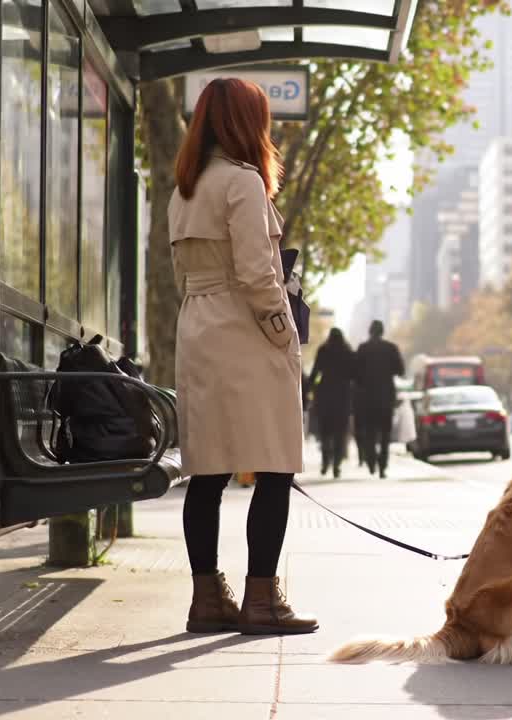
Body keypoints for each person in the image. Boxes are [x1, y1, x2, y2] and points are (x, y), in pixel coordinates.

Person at [168, 78, 316, 636]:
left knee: (208, 472)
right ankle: (263, 600)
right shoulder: (244, 183)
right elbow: (258, 274)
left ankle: (207, 599)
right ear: (245, 123)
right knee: (274, 465)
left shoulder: (183, 189)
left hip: (198, 328)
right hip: (246, 331)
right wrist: (285, 334)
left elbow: (183, 275)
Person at [353, 320, 405, 478]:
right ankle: (382, 466)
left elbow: (355, 374)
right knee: (385, 434)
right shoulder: (391, 348)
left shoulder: (362, 349)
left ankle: (371, 461)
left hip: (367, 398)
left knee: (369, 431)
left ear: (370, 331)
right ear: (382, 331)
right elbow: (400, 370)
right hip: (386, 397)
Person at [308, 328, 354, 478]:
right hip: (343, 396)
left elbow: (315, 372)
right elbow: (355, 374)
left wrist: (309, 388)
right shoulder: (347, 351)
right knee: (340, 434)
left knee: (325, 433)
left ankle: (325, 461)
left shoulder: (323, 350)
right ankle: (337, 465)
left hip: (325, 396)